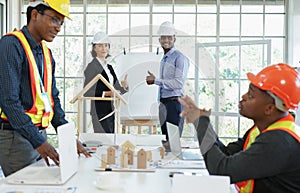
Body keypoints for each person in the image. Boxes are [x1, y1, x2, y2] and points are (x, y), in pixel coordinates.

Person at [0, 0, 91, 177]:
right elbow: (9, 101)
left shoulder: (46, 53)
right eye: (55, 19)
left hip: (37, 135)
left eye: (61, 23)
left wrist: (67, 136)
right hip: (15, 137)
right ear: (35, 15)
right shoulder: (11, 45)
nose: (58, 28)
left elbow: (52, 98)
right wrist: (38, 141)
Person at [179, 63, 300, 193]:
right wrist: (203, 122)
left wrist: (201, 122)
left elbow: (222, 171)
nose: (243, 97)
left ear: (269, 108)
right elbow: (226, 154)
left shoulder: (279, 141)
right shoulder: (262, 130)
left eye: (251, 95)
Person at [146, 21, 190, 149]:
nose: (166, 40)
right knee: (166, 142)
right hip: (164, 103)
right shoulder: (165, 58)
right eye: (163, 37)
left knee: (173, 143)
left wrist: (155, 81)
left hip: (174, 104)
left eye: (169, 37)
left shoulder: (179, 58)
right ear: (159, 40)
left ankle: (176, 168)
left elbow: (178, 83)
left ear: (174, 39)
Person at [84, 31, 128, 133]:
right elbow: (87, 92)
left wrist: (124, 88)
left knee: (110, 143)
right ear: (94, 48)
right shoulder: (91, 67)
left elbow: (117, 90)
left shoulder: (109, 68)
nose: (104, 48)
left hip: (111, 110)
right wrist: (107, 93)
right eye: (100, 46)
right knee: (103, 144)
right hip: (99, 112)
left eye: (106, 45)